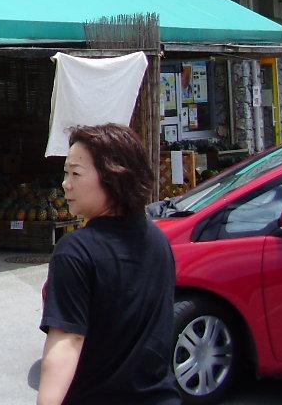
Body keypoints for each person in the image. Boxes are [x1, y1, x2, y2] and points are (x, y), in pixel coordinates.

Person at [38, 123, 180, 405]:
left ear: (113, 178)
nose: (66, 184)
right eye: (66, 173)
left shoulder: (75, 251)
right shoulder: (158, 240)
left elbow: (67, 340)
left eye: (76, 173)